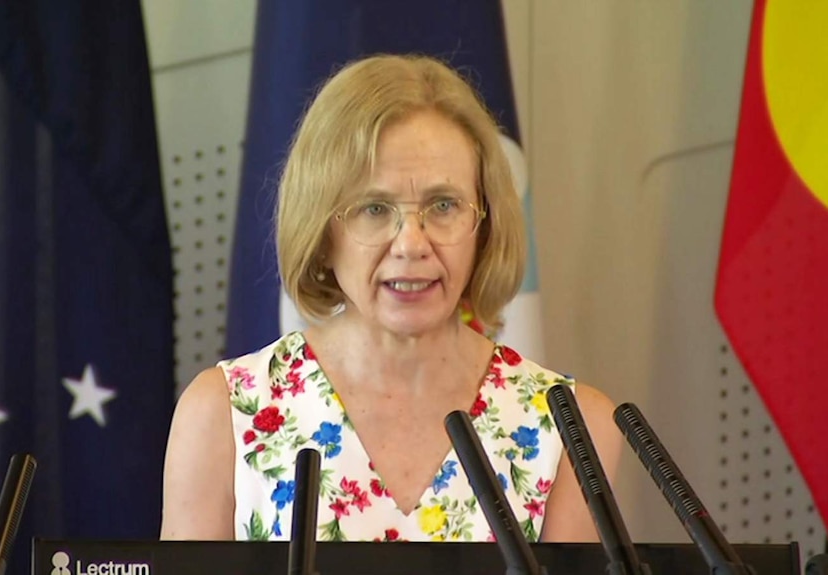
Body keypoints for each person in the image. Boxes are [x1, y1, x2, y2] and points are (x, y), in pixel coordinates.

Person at [161, 53, 622, 543]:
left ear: (484, 225)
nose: (411, 244)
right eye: (374, 208)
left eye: (443, 205)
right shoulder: (222, 414)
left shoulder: (571, 428)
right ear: (323, 229)